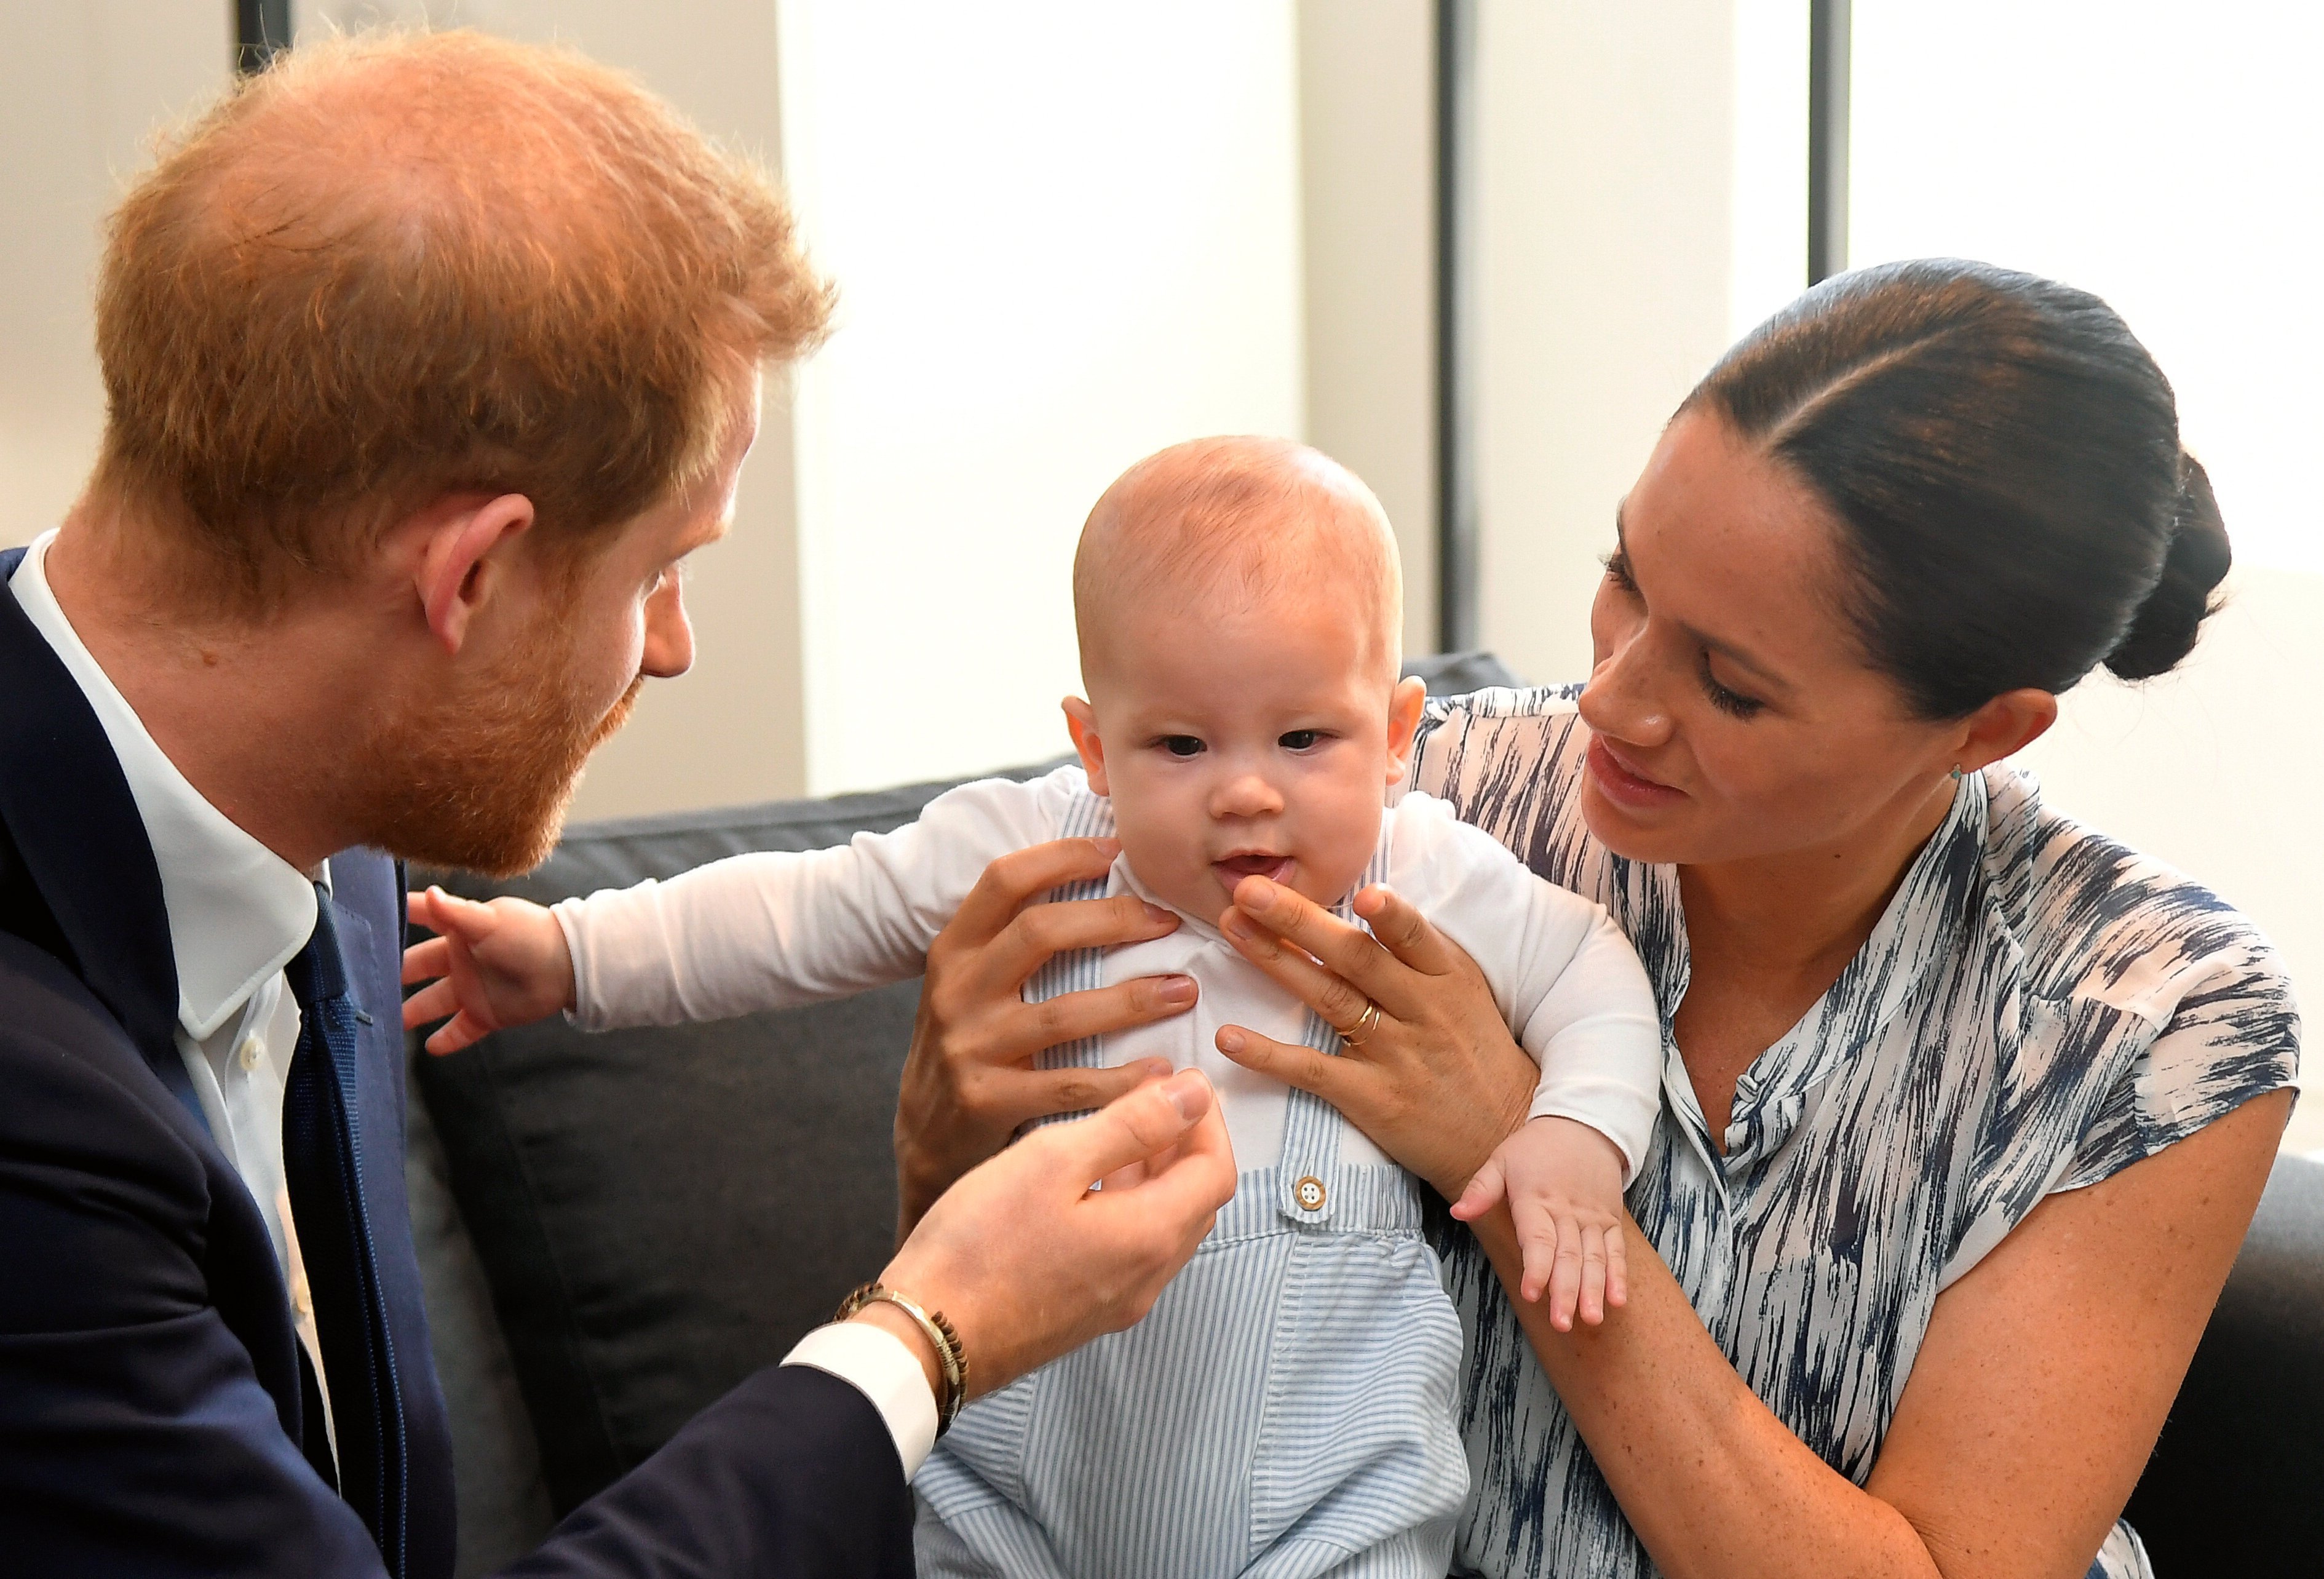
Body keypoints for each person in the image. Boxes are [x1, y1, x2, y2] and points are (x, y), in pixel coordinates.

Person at [0, 30, 1236, 1579]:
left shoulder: (337, 822)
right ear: (474, 575)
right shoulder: (30, 1112)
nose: (672, 645)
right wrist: (931, 1332)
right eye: (662, 569)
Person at [892, 260, 2302, 1577]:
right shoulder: (1415, 806)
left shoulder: (2155, 1019)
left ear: (1986, 730)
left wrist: (1520, 1158)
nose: (1613, 701)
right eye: (1625, 576)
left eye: (1730, 685)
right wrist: (943, 1137)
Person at [400, 434, 1666, 1578]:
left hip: (1328, 1521)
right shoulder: (1035, 848)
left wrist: (1571, 1142)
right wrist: (568, 956)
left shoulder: (1429, 872)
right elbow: (805, 912)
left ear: (1395, 737)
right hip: (1022, 1510)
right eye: (1181, 746)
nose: (1246, 796)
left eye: (1303, 741)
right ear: (1094, 745)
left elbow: (1593, 974)